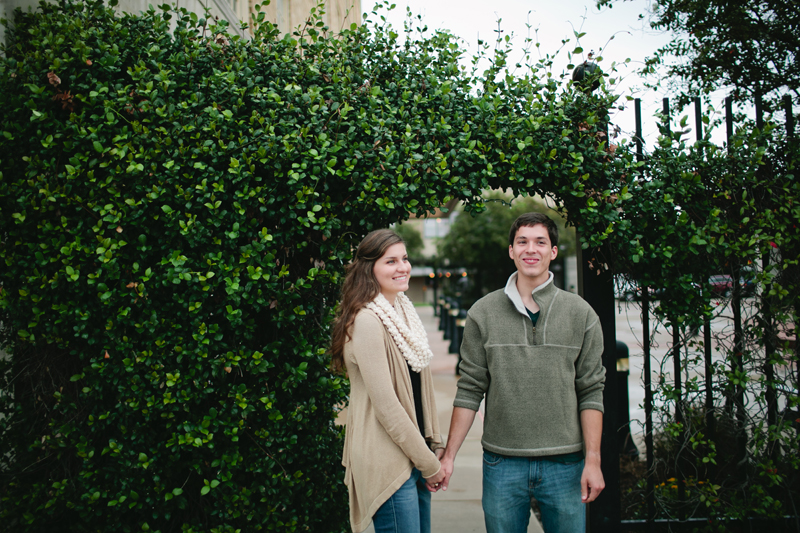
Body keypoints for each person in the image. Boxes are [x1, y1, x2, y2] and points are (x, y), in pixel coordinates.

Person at [432, 212, 606, 533]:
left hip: (565, 463)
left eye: (541, 242)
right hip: (502, 463)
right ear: (511, 251)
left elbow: (591, 391)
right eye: (522, 241)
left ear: (553, 251)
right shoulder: (483, 312)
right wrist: (449, 456)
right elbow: (470, 388)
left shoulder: (581, 314)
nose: (531, 249)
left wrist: (592, 461)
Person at [330, 229, 446, 533]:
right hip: (389, 460)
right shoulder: (368, 320)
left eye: (404, 259)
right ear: (370, 269)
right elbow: (387, 407)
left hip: (414, 453)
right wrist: (429, 464)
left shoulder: (404, 313)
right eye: (391, 261)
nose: (403, 267)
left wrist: (429, 451)